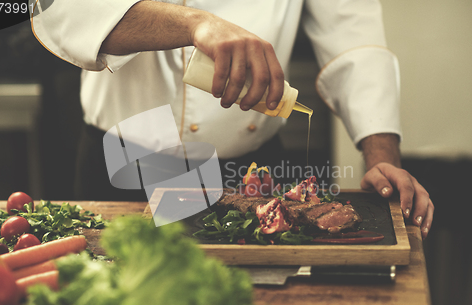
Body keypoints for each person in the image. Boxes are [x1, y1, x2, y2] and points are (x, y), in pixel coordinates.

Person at [31, 0, 433, 238]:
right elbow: (68, 9)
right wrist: (195, 22)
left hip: (252, 175)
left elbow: (355, 37)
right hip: (127, 167)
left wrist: (382, 157)